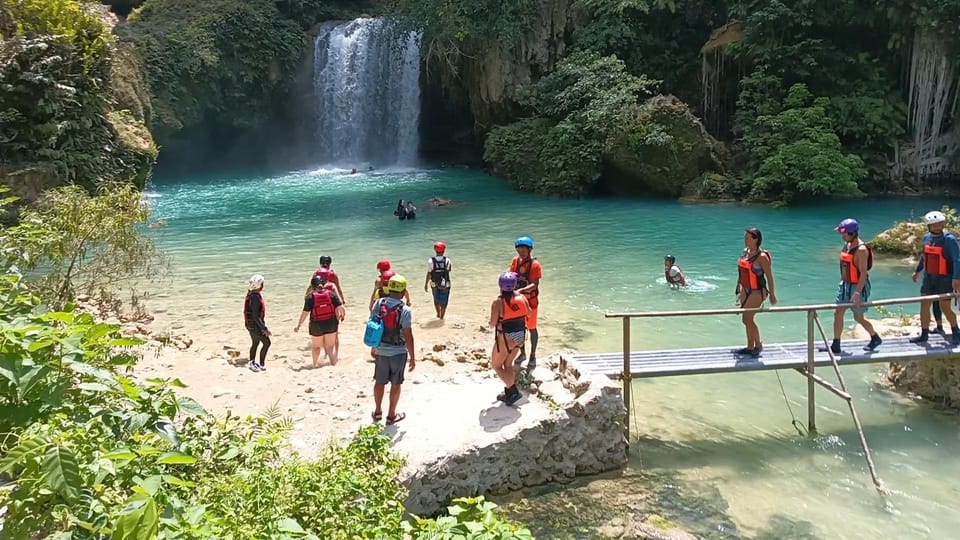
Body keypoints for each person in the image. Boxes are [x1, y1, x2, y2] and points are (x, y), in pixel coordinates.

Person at [827, 219, 882, 354]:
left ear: (852, 233)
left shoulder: (862, 250)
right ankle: (836, 344)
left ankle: (875, 337)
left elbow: (863, 273)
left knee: (858, 317)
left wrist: (857, 293)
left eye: (843, 233)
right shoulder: (847, 245)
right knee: (838, 312)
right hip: (845, 284)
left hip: (858, 286)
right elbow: (845, 266)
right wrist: (842, 282)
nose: (842, 236)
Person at [370, 274, 415, 425]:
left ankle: (377, 412)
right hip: (398, 352)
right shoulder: (406, 310)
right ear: (403, 292)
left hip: (381, 350)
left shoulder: (379, 303)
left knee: (379, 382)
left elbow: (373, 326)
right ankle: (391, 416)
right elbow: (408, 336)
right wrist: (413, 357)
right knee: (396, 384)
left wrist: (373, 346)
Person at [910, 210, 960, 345]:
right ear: (929, 226)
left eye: (939, 224)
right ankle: (924, 333)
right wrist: (917, 271)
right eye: (934, 225)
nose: (937, 227)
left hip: (945, 278)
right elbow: (924, 256)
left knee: (945, 306)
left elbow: (957, 260)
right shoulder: (927, 237)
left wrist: (956, 278)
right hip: (929, 277)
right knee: (924, 304)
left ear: (943, 224)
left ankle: (956, 331)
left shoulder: (949, 239)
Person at [489, 272, 530, 406]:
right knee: (507, 364)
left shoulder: (498, 302)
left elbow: (493, 323)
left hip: (506, 338)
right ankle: (508, 393)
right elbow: (528, 312)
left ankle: (513, 391)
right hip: (520, 336)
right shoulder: (522, 298)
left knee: (496, 365)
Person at [735, 227, 777, 357]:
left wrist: (773, 295)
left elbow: (769, 276)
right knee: (746, 320)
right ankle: (750, 346)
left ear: (756, 239)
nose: (745, 240)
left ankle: (758, 345)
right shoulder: (745, 252)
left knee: (747, 318)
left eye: (748, 238)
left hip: (757, 291)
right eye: (745, 238)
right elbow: (742, 271)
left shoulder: (762, 257)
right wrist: (738, 287)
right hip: (745, 290)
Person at [295, 275, 346, 368]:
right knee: (330, 347)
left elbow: (305, 313)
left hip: (316, 325)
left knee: (316, 347)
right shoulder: (331, 294)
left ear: (313, 286)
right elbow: (340, 306)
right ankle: (333, 364)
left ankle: (315, 365)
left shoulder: (310, 297)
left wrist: (298, 325)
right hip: (331, 323)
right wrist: (342, 316)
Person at [511, 236, 543, 369]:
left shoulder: (535, 265)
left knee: (532, 328)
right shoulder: (515, 261)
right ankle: (522, 353)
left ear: (529, 250)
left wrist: (521, 290)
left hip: (530, 301)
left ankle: (533, 354)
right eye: (519, 249)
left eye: (523, 249)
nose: (521, 252)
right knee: (519, 329)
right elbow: (511, 276)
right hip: (518, 301)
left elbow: (535, 284)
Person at [243, 274, 271, 372]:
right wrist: (264, 328)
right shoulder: (255, 298)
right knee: (267, 343)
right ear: (260, 285)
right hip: (255, 325)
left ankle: (253, 362)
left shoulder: (251, 294)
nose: (263, 285)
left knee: (255, 343)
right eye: (262, 283)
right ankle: (260, 364)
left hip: (251, 324)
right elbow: (255, 316)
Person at [424, 241, 452, 319]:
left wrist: (426, 284)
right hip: (445, 283)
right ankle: (442, 317)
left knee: (436, 299)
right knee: (444, 301)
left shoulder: (430, 260)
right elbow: (449, 270)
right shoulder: (447, 260)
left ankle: (438, 314)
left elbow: (429, 273)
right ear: (444, 250)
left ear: (435, 250)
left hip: (434, 283)